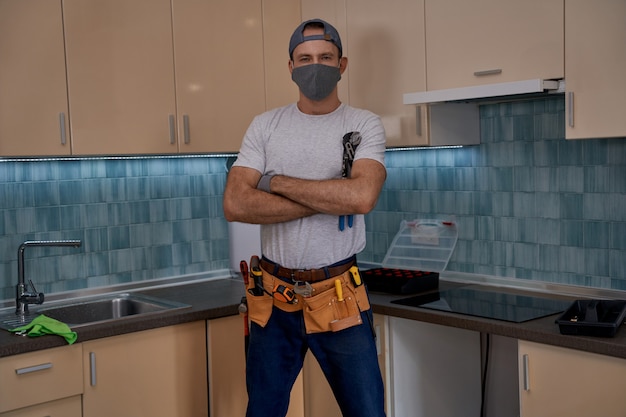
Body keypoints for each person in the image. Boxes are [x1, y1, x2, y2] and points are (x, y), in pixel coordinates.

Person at [223, 18, 387, 417]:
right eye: (306, 58)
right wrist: (331, 196)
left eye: (326, 57)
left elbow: (362, 196)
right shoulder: (266, 126)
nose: (316, 66)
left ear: (342, 64)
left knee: (367, 411)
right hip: (273, 299)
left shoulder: (363, 124)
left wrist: (274, 181)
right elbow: (236, 204)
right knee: (262, 411)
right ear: (291, 67)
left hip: (339, 297)